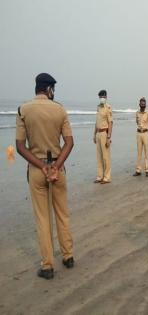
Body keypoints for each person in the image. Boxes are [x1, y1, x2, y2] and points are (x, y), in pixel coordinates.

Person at [15, 73, 74, 279]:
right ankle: (68, 256)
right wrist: (56, 166)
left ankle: (48, 266)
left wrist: (42, 166)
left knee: (42, 218)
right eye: (53, 89)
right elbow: (69, 142)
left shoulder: (24, 110)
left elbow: (20, 147)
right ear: (48, 89)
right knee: (62, 214)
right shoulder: (59, 109)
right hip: (58, 169)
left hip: (37, 170)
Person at [93, 89, 113, 184]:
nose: (102, 98)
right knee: (99, 157)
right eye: (100, 97)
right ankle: (100, 176)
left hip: (105, 133)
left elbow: (110, 122)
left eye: (103, 97)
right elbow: (97, 122)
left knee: (106, 157)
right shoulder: (98, 107)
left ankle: (107, 177)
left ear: (106, 97)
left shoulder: (108, 107)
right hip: (98, 134)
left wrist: (109, 137)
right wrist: (94, 134)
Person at [133, 97, 148, 177]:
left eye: (144, 104)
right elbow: (136, 122)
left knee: (146, 153)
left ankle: (147, 170)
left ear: (145, 105)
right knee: (139, 153)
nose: (142, 105)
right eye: (141, 104)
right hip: (138, 134)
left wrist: (147, 129)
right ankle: (138, 170)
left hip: (145, 133)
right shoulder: (137, 113)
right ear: (139, 104)